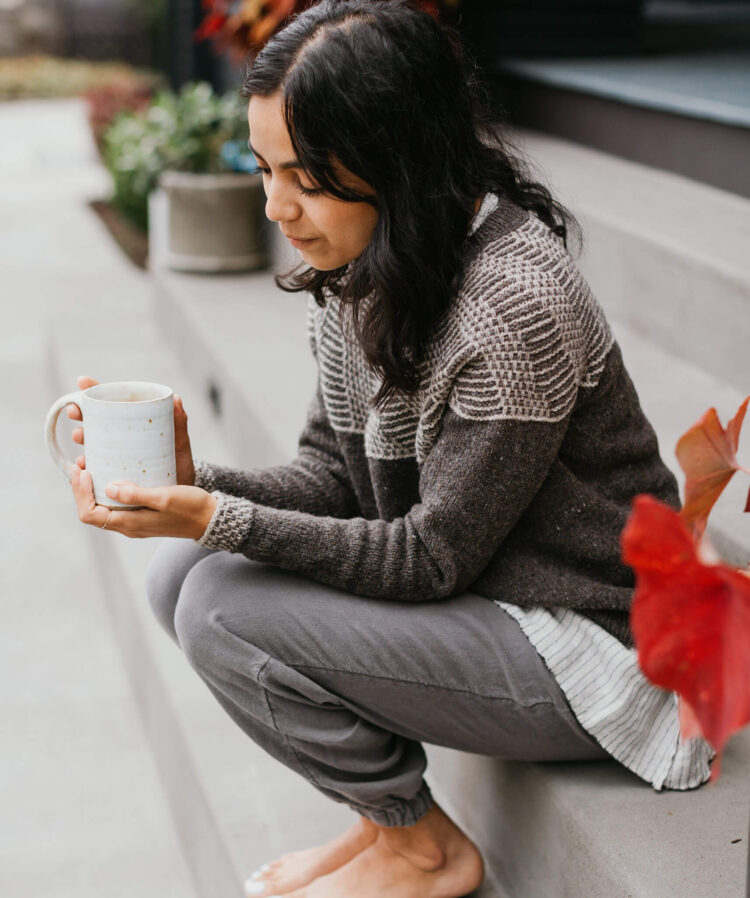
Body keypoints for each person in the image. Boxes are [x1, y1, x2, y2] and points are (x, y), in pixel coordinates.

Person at [68, 1, 714, 896]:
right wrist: (189, 488)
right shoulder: (365, 264)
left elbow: (430, 556)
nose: (277, 206)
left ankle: (422, 850)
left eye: (308, 177)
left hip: (599, 643)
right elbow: (335, 473)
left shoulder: (509, 311)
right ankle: (386, 825)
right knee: (181, 575)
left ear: (399, 163)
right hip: (493, 598)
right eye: (263, 169)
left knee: (217, 599)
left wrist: (219, 518)